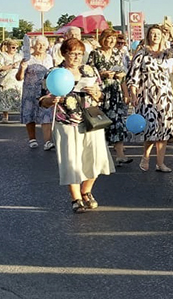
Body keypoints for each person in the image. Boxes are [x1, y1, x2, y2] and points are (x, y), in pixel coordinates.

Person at [39, 38, 114, 213]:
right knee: (71, 160)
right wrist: (51, 100)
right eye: (73, 53)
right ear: (64, 53)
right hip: (66, 120)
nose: (77, 57)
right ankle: (76, 198)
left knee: (96, 158)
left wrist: (97, 93)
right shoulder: (54, 72)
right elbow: (42, 100)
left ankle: (86, 191)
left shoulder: (89, 70)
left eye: (80, 54)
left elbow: (102, 96)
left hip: (91, 118)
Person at [127, 23, 173, 173]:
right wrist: (133, 94)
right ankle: (145, 156)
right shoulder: (142, 53)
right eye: (152, 34)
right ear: (148, 36)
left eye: (158, 34)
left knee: (163, 129)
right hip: (146, 95)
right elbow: (133, 76)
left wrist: (171, 33)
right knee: (150, 129)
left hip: (164, 95)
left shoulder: (165, 52)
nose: (155, 36)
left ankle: (160, 163)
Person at [88, 29, 131, 165]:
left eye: (113, 38)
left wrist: (126, 93)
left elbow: (123, 75)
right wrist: (102, 75)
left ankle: (120, 155)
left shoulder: (119, 54)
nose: (111, 41)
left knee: (117, 122)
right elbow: (88, 73)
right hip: (100, 93)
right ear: (102, 39)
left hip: (115, 91)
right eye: (108, 38)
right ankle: (101, 156)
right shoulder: (95, 54)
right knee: (101, 123)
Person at [16, 36, 54, 150]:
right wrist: (22, 68)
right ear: (33, 45)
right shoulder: (28, 59)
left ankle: (48, 141)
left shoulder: (49, 58)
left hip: (44, 90)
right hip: (30, 91)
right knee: (30, 114)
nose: (41, 46)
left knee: (46, 115)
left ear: (47, 46)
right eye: (38, 44)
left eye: (43, 44)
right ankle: (32, 139)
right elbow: (19, 77)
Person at [0, 39, 23, 123]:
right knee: (5, 97)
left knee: (18, 97)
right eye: (13, 47)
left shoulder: (19, 56)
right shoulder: (2, 55)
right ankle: (5, 116)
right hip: (5, 79)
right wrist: (11, 66)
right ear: (7, 47)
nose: (15, 49)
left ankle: (20, 116)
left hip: (17, 80)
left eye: (16, 48)